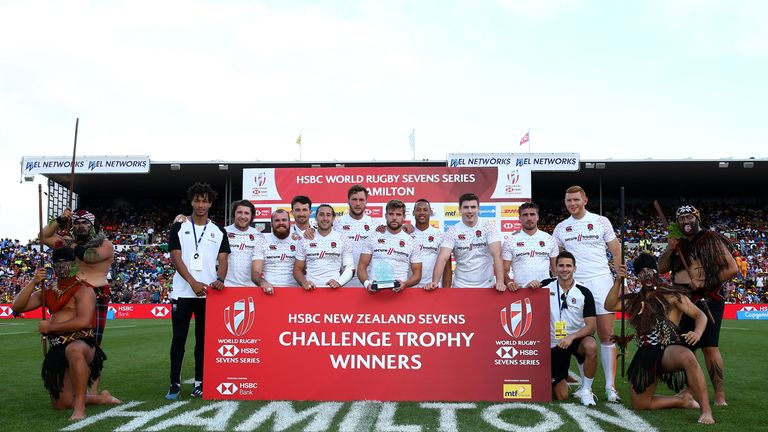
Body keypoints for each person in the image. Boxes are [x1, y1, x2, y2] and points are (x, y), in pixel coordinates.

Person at [604, 253, 714, 424]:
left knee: (688, 357)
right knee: (639, 404)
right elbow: (609, 305)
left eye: (650, 271)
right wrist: (618, 280)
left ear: (657, 272)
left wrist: (697, 333)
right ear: (638, 277)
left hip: (668, 349)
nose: (647, 275)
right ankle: (682, 400)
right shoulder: (634, 300)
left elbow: (700, 315)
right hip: (646, 353)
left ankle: (706, 410)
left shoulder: (672, 295)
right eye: (642, 272)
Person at [12, 263, 120, 421]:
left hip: (82, 342)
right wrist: (33, 282)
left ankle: (80, 408)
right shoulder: (48, 292)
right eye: (58, 264)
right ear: (53, 267)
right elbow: (17, 306)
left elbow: (84, 322)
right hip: (57, 346)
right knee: (62, 403)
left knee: (74, 350)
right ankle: (103, 398)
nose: (62, 268)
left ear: (73, 266)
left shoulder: (84, 289)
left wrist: (51, 327)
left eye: (65, 263)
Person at [657, 204, 738, 407]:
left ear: (697, 219)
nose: (686, 222)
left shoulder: (710, 238)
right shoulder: (677, 243)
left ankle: (719, 393)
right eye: (681, 218)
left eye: (689, 217)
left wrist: (705, 281)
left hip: (709, 299)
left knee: (710, 347)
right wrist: (671, 247)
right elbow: (661, 268)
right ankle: (691, 389)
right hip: (683, 301)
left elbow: (732, 269)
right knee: (686, 347)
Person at [552, 185, 622, 402]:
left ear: (585, 200)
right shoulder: (561, 228)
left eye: (575, 200)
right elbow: (555, 259)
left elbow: (616, 250)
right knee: (582, 335)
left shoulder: (601, 221)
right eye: (568, 201)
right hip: (575, 285)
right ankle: (586, 387)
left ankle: (611, 388)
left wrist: (619, 280)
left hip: (601, 282)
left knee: (606, 335)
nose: (572, 204)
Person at [166, 182, 230, 400]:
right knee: (179, 339)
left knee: (203, 341)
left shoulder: (218, 230)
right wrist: (192, 282)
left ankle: (200, 383)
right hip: (183, 292)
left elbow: (222, 259)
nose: (201, 204)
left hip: (207, 295)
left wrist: (220, 278)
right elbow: (175, 257)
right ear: (191, 201)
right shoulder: (179, 227)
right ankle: (174, 383)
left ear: (211, 203)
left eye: (205, 200)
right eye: (197, 200)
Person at [41, 208, 115, 394]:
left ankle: (92, 392)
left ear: (93, 225)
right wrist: (59, 220)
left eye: (85, 223)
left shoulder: (105, 244)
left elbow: (91, 257)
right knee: (64, 340)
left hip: (96, 293)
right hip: (69, 292)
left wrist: (71, 245)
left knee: (93, 343)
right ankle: (68, 386)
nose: (80, 226)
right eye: (76, 222)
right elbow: (43, 236)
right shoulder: (66, 242)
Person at [542, 251, 598, 405]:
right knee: (561, 396)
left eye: (568, 266)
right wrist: (529, 286)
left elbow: (592, 326)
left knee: (591, 345)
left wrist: (571, 337)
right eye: (561, 265)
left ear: (574, 268)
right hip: (553, 342)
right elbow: (524, 298)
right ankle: (558, 375)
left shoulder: (584, 292)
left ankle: (586, 390)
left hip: (574, 340)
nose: (564, 269)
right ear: (555, 268)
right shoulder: (544, 285)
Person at [430, 193, 504, 290]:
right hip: (461, 286)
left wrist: (500, 282)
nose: (470, 211)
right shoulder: (453, 231)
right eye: (466, 207)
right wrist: (435, 282)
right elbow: (442, 258)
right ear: (460, 209)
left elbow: (497, 256)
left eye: (473, 207)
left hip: (487, 286)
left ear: (478, 209)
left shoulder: (489, 227)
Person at [358, 200, 423, 292]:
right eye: (391, 214)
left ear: (404, 217)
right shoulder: (373, 238)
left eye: (398, 214)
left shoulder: (412, 242)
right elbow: (361, 267)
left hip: (399, 297)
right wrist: (367, 284)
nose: (394, 218)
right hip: (374, 296)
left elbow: (417, 274)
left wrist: (405, 284)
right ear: (386, 216)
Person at [294, 204, 354, 289]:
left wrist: (339, 282)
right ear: (316, 217)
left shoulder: (343, 239)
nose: (325, 218)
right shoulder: (305, 238)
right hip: (310, 291)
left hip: (334, 291)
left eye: (328, 215)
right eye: (321, 215)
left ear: (333, 218)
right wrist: (304, 282)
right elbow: (297, 268)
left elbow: (350, 267)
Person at [502, 202, 558, 291]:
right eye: (525, 215)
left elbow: (555, 270)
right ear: (519, 218)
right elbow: (504, 271)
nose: (529, 218)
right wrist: (509, 283)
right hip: (520, 291)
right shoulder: (510, 241)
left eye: (532, 214)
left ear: (538, 217)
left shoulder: (549, 239)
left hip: (546, 290)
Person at [332, 185, 381, 287]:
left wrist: (407, 227)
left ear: (366, 201)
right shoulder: (337, 223)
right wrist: (310, 230)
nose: (358, 203)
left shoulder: (375, 224)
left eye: (361, 200)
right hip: (342, 280)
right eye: (354, 199)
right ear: (348, 201)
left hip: (368, 281)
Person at [253, 209, 299, 291]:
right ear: (271, 224)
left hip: (294, 291)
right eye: (277, 220)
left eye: (284, 220)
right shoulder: (261, 240)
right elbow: (255, 272)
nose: (281, 223)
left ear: (290, 223)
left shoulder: (299, 241)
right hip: (268, 291)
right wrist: (263, 283)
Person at [410, 199, 451, 288]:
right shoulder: (406, 235)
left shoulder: (440, 235)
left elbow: (447, 267)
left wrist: (447, 292)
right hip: (409, 288)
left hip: (433, 287)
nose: (422, 212)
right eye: (418, 210)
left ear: (431, 212)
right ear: (413, 213)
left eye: (425, 210)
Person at [224, 200, 263, 288]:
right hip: (226, 286)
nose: (242, 216)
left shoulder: (259, 235)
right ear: (234, 214)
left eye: (246, 213)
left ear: (251, 216)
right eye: (239, 212)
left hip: (252, 287)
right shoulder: (223, 232)